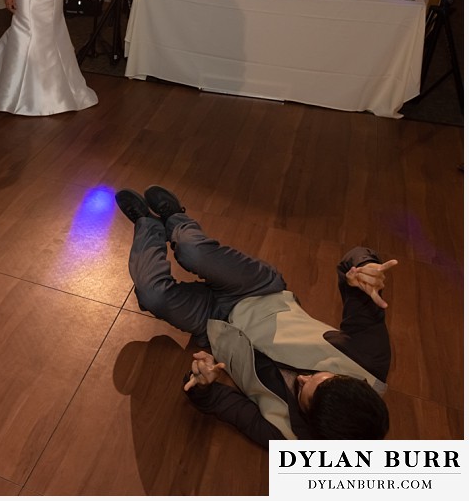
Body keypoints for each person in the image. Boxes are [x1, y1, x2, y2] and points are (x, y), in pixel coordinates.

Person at [115, 185, 393, 446]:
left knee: (152, 294)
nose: (302, 379)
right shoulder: (369, 359)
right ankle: (175, 218)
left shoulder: (287, 439)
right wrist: (365, 267)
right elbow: (353, 260)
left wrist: (201, 383)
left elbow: (217, 403)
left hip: (214, 327)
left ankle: (147, 226)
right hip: (259, 291)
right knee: (192, 252)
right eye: (322, 377)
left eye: (303, 395)